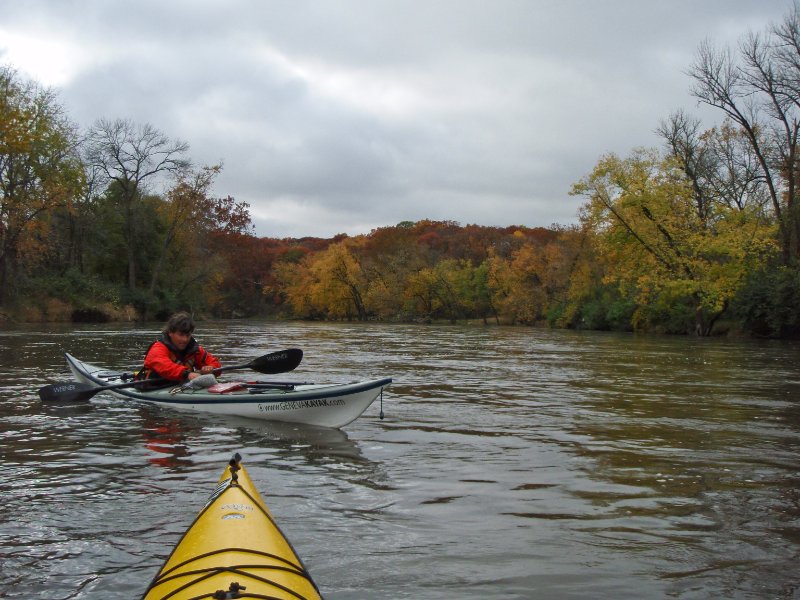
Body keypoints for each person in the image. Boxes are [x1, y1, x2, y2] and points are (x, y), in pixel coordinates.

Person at [140, 312, 221, 383]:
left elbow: (214, 363)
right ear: (170, 333)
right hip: (156, 386)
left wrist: (211, 368)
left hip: (182, 385)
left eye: (188, 335)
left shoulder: (194, 349)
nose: (185, 339)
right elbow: (165, 367)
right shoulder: (158, 348)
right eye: (181, 335)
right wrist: (187, 374)